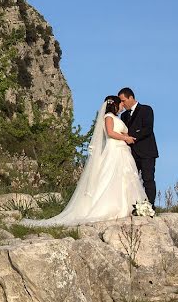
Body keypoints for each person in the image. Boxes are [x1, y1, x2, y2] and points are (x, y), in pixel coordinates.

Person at [22, 95, 147, 227]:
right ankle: (111, 207)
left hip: (122, 150)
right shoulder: (108, 116)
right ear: (114, 105)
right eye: (120, 103)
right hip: (114, 150)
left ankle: (128, 207)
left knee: (124, 177)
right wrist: (125, 138)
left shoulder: (117, 118)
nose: (122, 105)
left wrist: (128, 137)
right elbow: (110, 133)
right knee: (111, 176)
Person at [119, 87, 159, 207]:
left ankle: (149, 207)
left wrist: (130, 136)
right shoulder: (124, 116)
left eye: (123, 100)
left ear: (131, 97)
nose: (122, 104)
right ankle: (134, 205)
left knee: (148, 180)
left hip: (147, 152)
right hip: (131, 154)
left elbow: (147, 129)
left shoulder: (146, 109)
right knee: (132, 180)